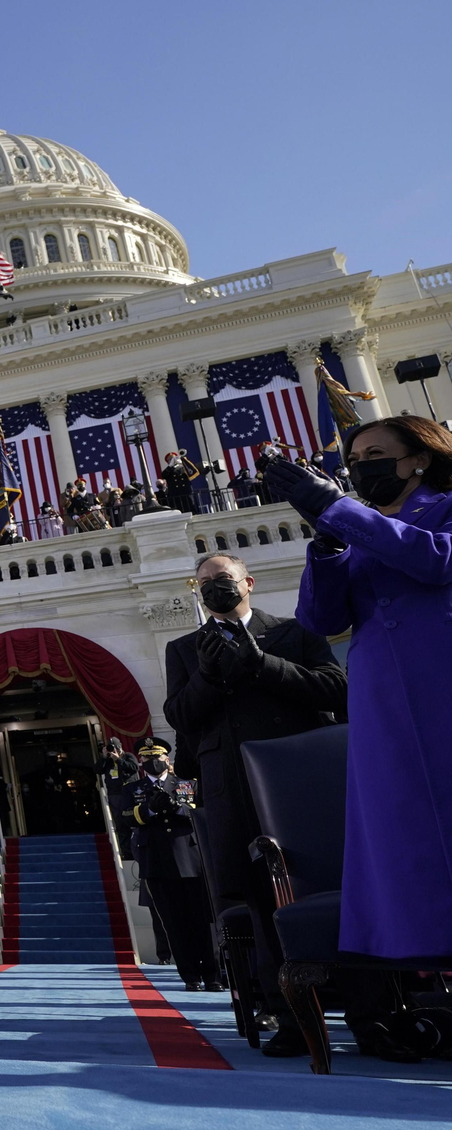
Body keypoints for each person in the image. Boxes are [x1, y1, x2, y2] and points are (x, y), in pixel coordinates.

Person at [268, 417, 452, 966]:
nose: (361, 465)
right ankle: (423, 956)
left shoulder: (441, 508)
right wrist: (326, 544)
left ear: (419, 458)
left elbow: (436, 560)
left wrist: (342, 512)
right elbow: (320, 619)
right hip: (383, 701)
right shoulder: (357, 526)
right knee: (404, 826)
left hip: (439, 679)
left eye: (376, 452)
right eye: (354, 459)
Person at [163, 551, 345, 1055]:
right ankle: (288, 1014)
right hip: (234, 789)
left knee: (332, 883)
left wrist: (262, 666)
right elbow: (180, 715)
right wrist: (210, 674)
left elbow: (336, 688)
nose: (214, 589)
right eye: (203, 584)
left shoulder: (293, 633)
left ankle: (370, 1010)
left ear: (248, 582)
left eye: (222, 580)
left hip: (301, 782)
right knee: (263, 899)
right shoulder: (185, 648)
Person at [120, 740, 221, 990]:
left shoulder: (186, 782)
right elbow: (124, 817)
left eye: (158, 757)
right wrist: (149, 811)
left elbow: (203, 810)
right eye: (147, 758)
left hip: (190, 859)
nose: (154, 762)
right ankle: (191, 976)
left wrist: (179, 809)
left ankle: (212, 974)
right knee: (173, 923)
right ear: (141, 763)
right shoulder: (134, 788)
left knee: (203, 920)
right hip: (156, 862)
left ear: (167, 759)